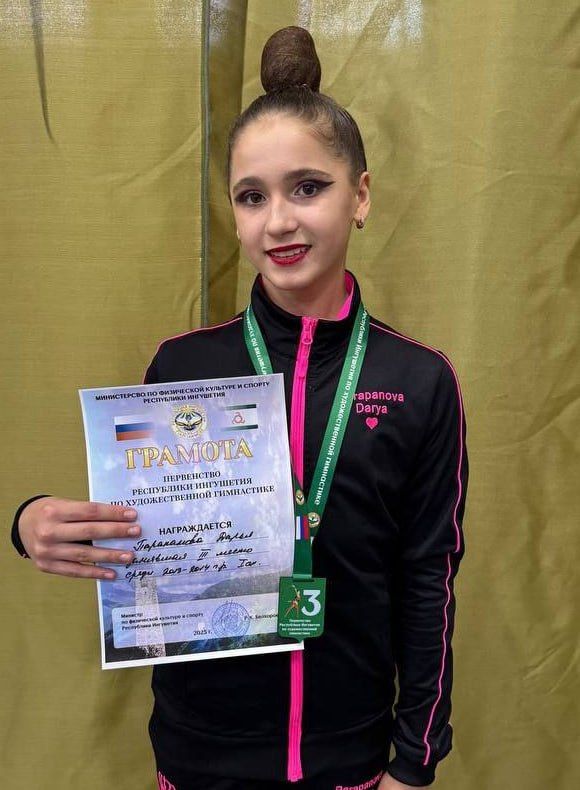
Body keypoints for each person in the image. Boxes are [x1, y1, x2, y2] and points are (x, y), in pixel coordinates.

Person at [11, 26, 468, 790]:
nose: (278, 221)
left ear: (360, 196)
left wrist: (414, 764)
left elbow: (430, 580)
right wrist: (31, 525)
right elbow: (144, 545)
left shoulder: (419, 381)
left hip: (350, 763)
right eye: (252, 196)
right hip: (197, 761)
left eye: (308, 187)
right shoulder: (183, 367)